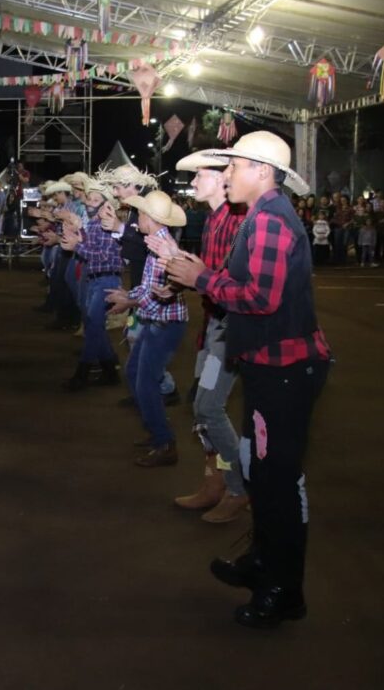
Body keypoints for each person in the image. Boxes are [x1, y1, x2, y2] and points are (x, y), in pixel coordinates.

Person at [163, 131, 331, 629]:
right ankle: (264, 565)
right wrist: (206, 274)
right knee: (263, 473)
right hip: (270, 365)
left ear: (262, 172)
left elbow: (261, 298)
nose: (226, 174)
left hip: (284, 369)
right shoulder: (262, 217)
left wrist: (201, 279)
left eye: (233, 166)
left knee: (276, 481)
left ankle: (283, 591)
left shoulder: (271, 222)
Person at [163, 150, 249, 522]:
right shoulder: (217, 220)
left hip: (228, 329)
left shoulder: (235, 220)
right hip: (215, 326)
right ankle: (216, 480)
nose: (194, 182)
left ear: (221, 177)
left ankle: (237, 488)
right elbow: (210, 276)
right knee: (202, 407)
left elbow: (225, 282)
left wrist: (187, 271)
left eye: (200, 176)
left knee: (209, 408)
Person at [105, 191, 188, 466]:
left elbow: (153, 292)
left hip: (164, 323)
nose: (136, 218)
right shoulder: (157, 242)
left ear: (149, 218)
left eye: (140, 214)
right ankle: (157, 433)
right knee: (137, 375)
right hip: (161, 322)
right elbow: (150, 287)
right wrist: (129, 298)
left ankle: (164, 441)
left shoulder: (160, 246)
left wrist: (127, 299)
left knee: (144, 381)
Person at [59, 179, 122, 390]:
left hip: (106, 278)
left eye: (96, 200)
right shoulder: (96, 224)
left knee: (93, 326)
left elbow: (102, 256)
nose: (90, 202)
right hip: (97, 278)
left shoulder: (105, 224)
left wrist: (77, 243)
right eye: (90, 198)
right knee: (94, 325)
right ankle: (109, 369)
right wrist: (79, 235)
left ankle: (83, 373)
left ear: (105, 204)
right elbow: (90, 248)